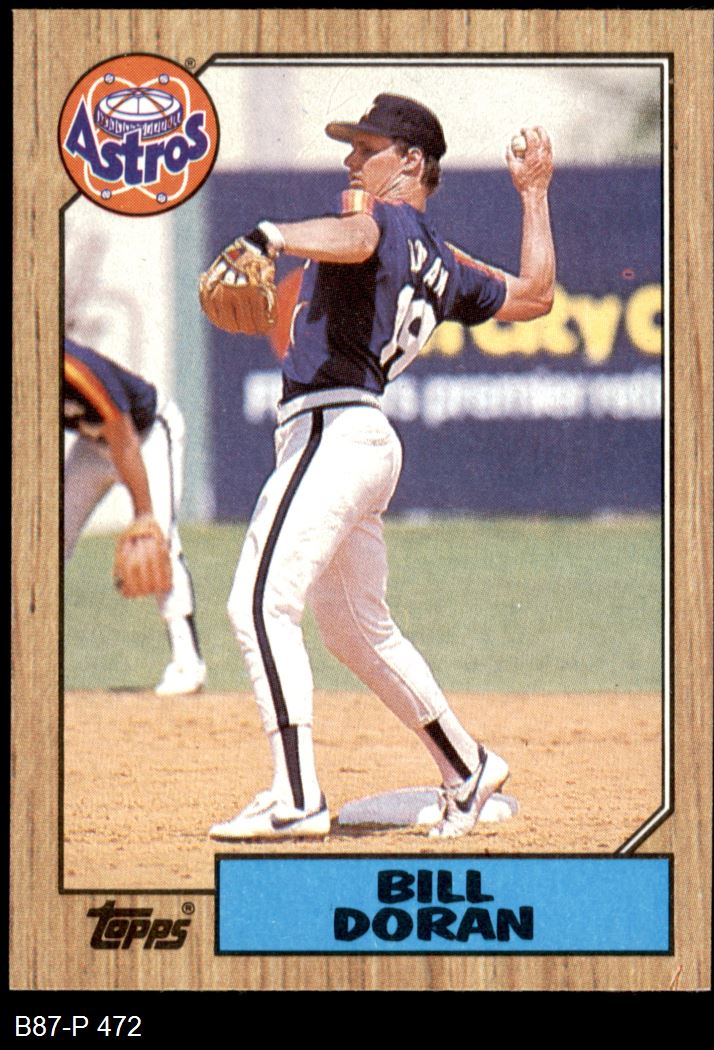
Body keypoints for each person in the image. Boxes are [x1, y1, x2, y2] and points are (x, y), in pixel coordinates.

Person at [210, 93, 555, 840]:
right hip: (360, 439)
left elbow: (360, 232)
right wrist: (534, 196)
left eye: (367, 149)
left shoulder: (385, 219)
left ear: (411, 163)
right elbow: (536, 295)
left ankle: (295, 797)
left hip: (332, 430)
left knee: (259, 605)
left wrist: (272, 235)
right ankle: (468, 767)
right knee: (356, 632)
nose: (351, 159)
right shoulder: (444, 262)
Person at [64, 339, 206, 695]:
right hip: (92, 445)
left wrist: (144, 515)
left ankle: (188, 663)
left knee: (160, 539)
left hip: (146, 434)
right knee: (46, 544)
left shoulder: (73, 368)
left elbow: (124, 438)